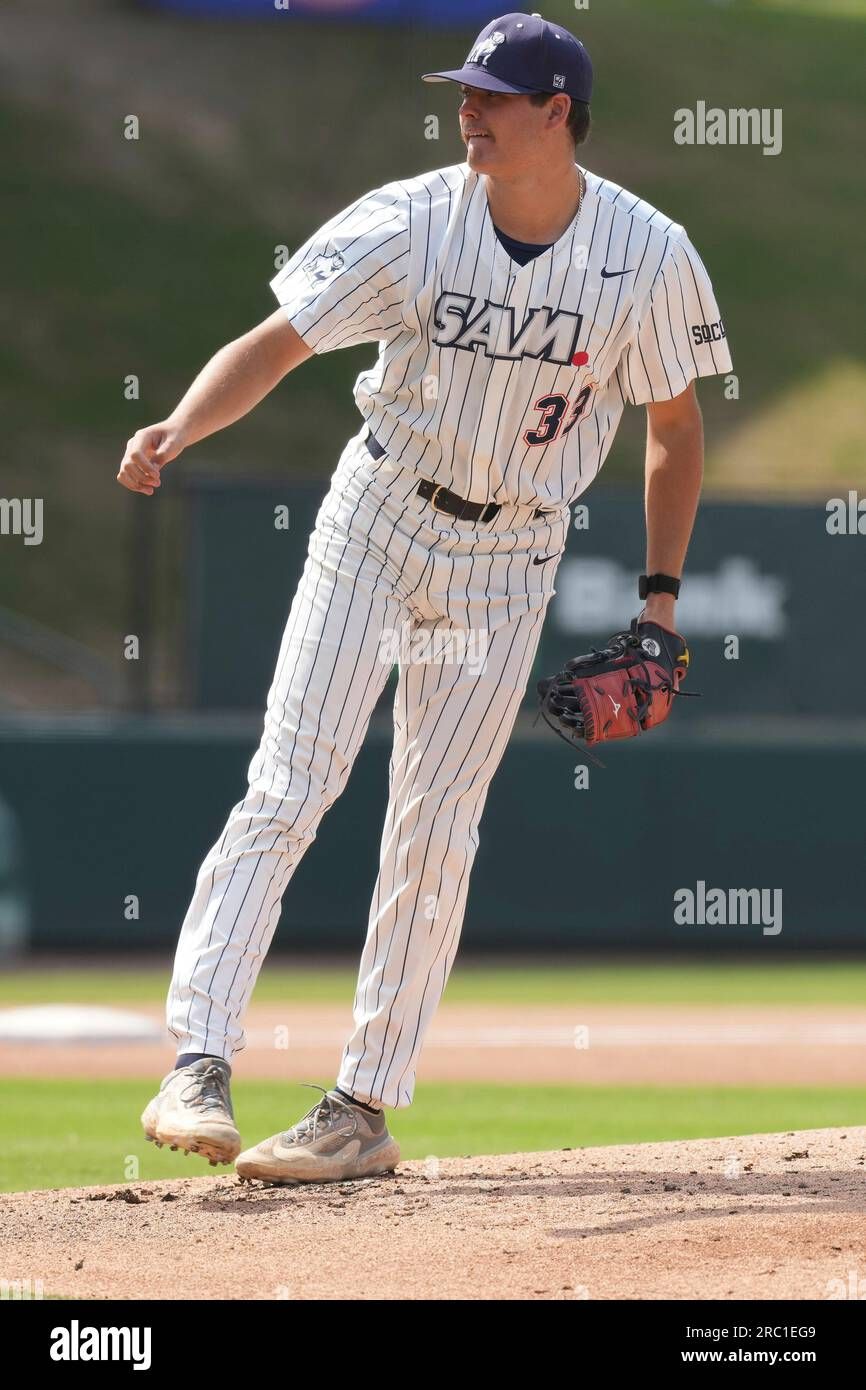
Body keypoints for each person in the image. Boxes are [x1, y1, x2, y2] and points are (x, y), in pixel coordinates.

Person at [122, 11, 731, 1185]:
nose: (467, 110)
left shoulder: (646, 253)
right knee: (290, 779)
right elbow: (282, 339)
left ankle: (361, 1105)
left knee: (435, 828)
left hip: (509, 558)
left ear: (557, 114)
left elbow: (672, 425)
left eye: (493, 95)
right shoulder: (411, 220)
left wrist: (658, 603)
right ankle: (198, 1060)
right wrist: (181, 426)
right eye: (464, 90)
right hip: (378, 517)